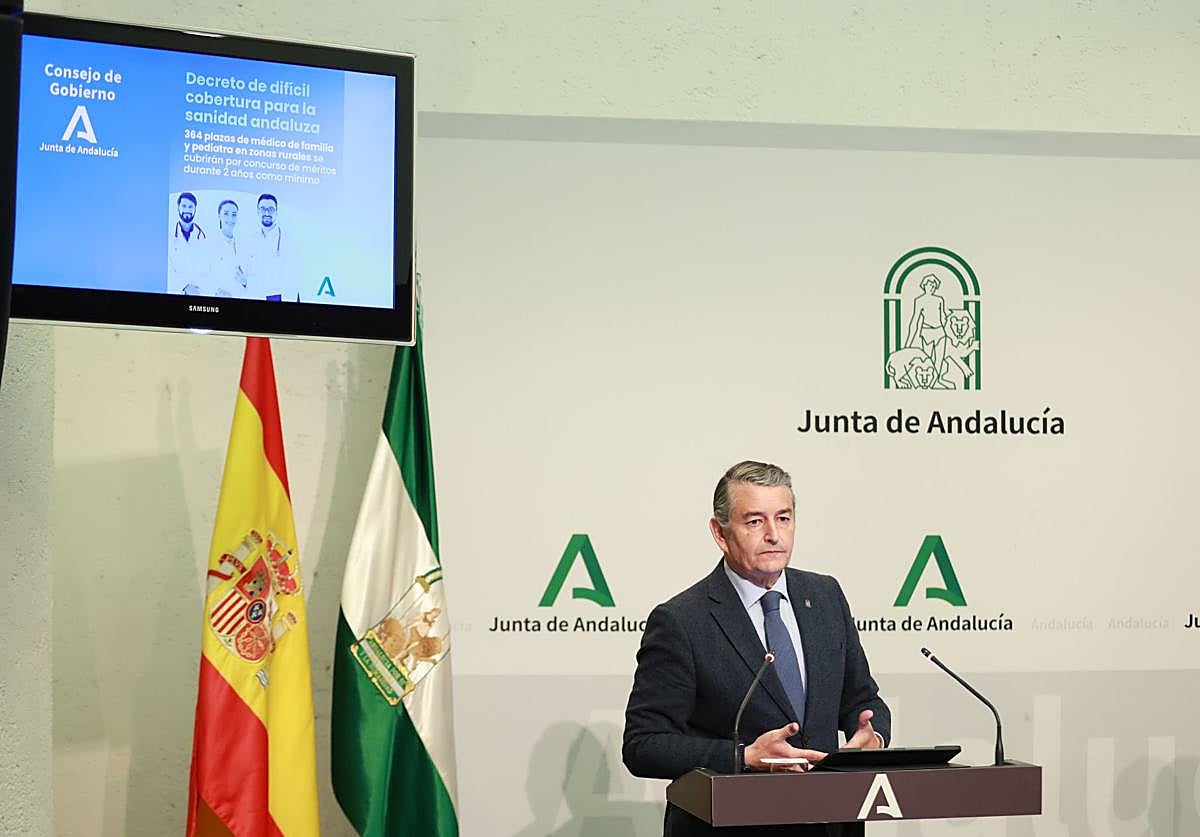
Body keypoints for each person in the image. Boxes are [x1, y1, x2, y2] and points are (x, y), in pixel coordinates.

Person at [623, 460, 890, 837]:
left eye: (783, 518)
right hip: (733, 826)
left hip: (831, 823)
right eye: (754, 521)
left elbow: (862, 699)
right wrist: (744, 757)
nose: (773, 535)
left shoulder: (825, 596)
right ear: (720, 533)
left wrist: (872, 736)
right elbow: (643, 744)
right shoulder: (682, 621)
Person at [242, 193, 293, 301]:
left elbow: (288, 278)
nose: (266, 213)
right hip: (253, 297)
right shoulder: (251, 239)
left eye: (271, 209)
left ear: (276, 212)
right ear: (257, 211)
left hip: (276, 298)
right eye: (263, 209)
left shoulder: (287, 239)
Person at [168, 192, 209, 295]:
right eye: (184, 206)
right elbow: (168, 268)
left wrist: (196, 289)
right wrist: (184, 286)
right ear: (178, 207)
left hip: (198, 292)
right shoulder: (168, 235)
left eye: (190, 207)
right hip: (176, 291)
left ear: (195, 209)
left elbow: (207, 269)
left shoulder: (203, 237)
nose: (187, 210)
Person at [209, 199, 247, 299]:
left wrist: (245, 281)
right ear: (219, 216)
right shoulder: (209, 243)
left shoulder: (242, 245)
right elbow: (203, 275)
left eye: (234, 214)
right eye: (226, 214)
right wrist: (216, 291)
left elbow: (246, 274)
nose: (230, 218)